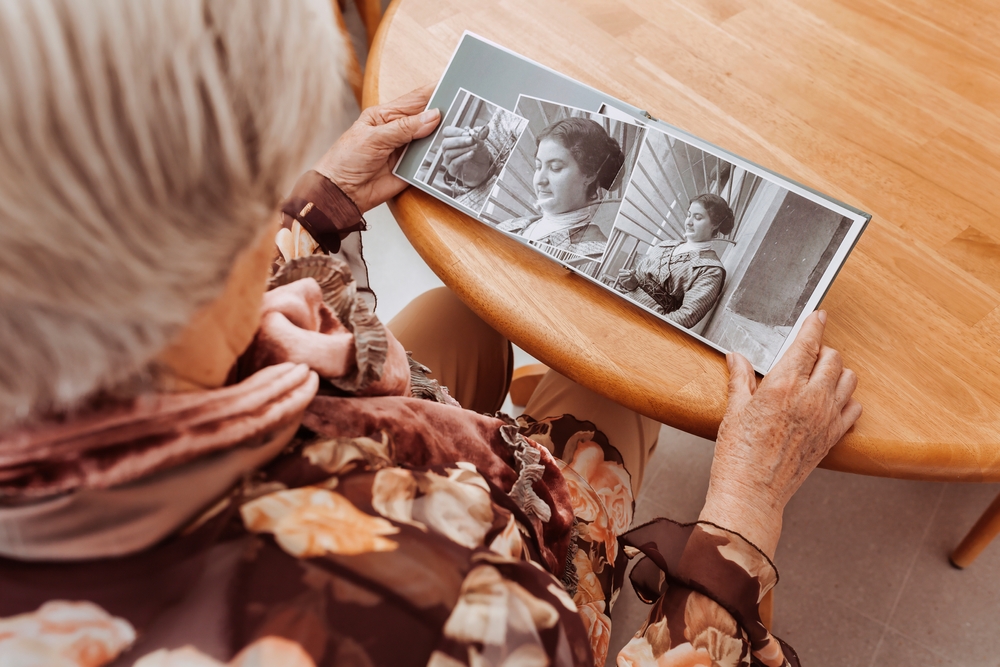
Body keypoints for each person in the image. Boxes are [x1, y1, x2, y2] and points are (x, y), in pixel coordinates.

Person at [0, 2, 862, 666]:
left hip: (355, 436)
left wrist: (314, 205)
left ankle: (518, 423)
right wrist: (744, 512)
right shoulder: (445, 622)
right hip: (481, 543)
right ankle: (580, 489)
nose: (266, 228)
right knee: (609, 381)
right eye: (247, 209)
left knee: (458, 317)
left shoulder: (54, 356)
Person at [490, 117, 623, 269]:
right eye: (538, 166)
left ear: (590, 174)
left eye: (555, 168)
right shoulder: (509, 227)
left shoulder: (595, 255)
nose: (540, 180)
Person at [617, 193, 734, 328]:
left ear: (715, 224)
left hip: (644, 324)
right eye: (689, 215)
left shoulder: (710, 269)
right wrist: (630, 282)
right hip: (620, 304)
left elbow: (687, 316)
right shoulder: (665, 245)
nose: (689, 222)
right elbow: (636, 280)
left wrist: (650, 326)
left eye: (698, 217)